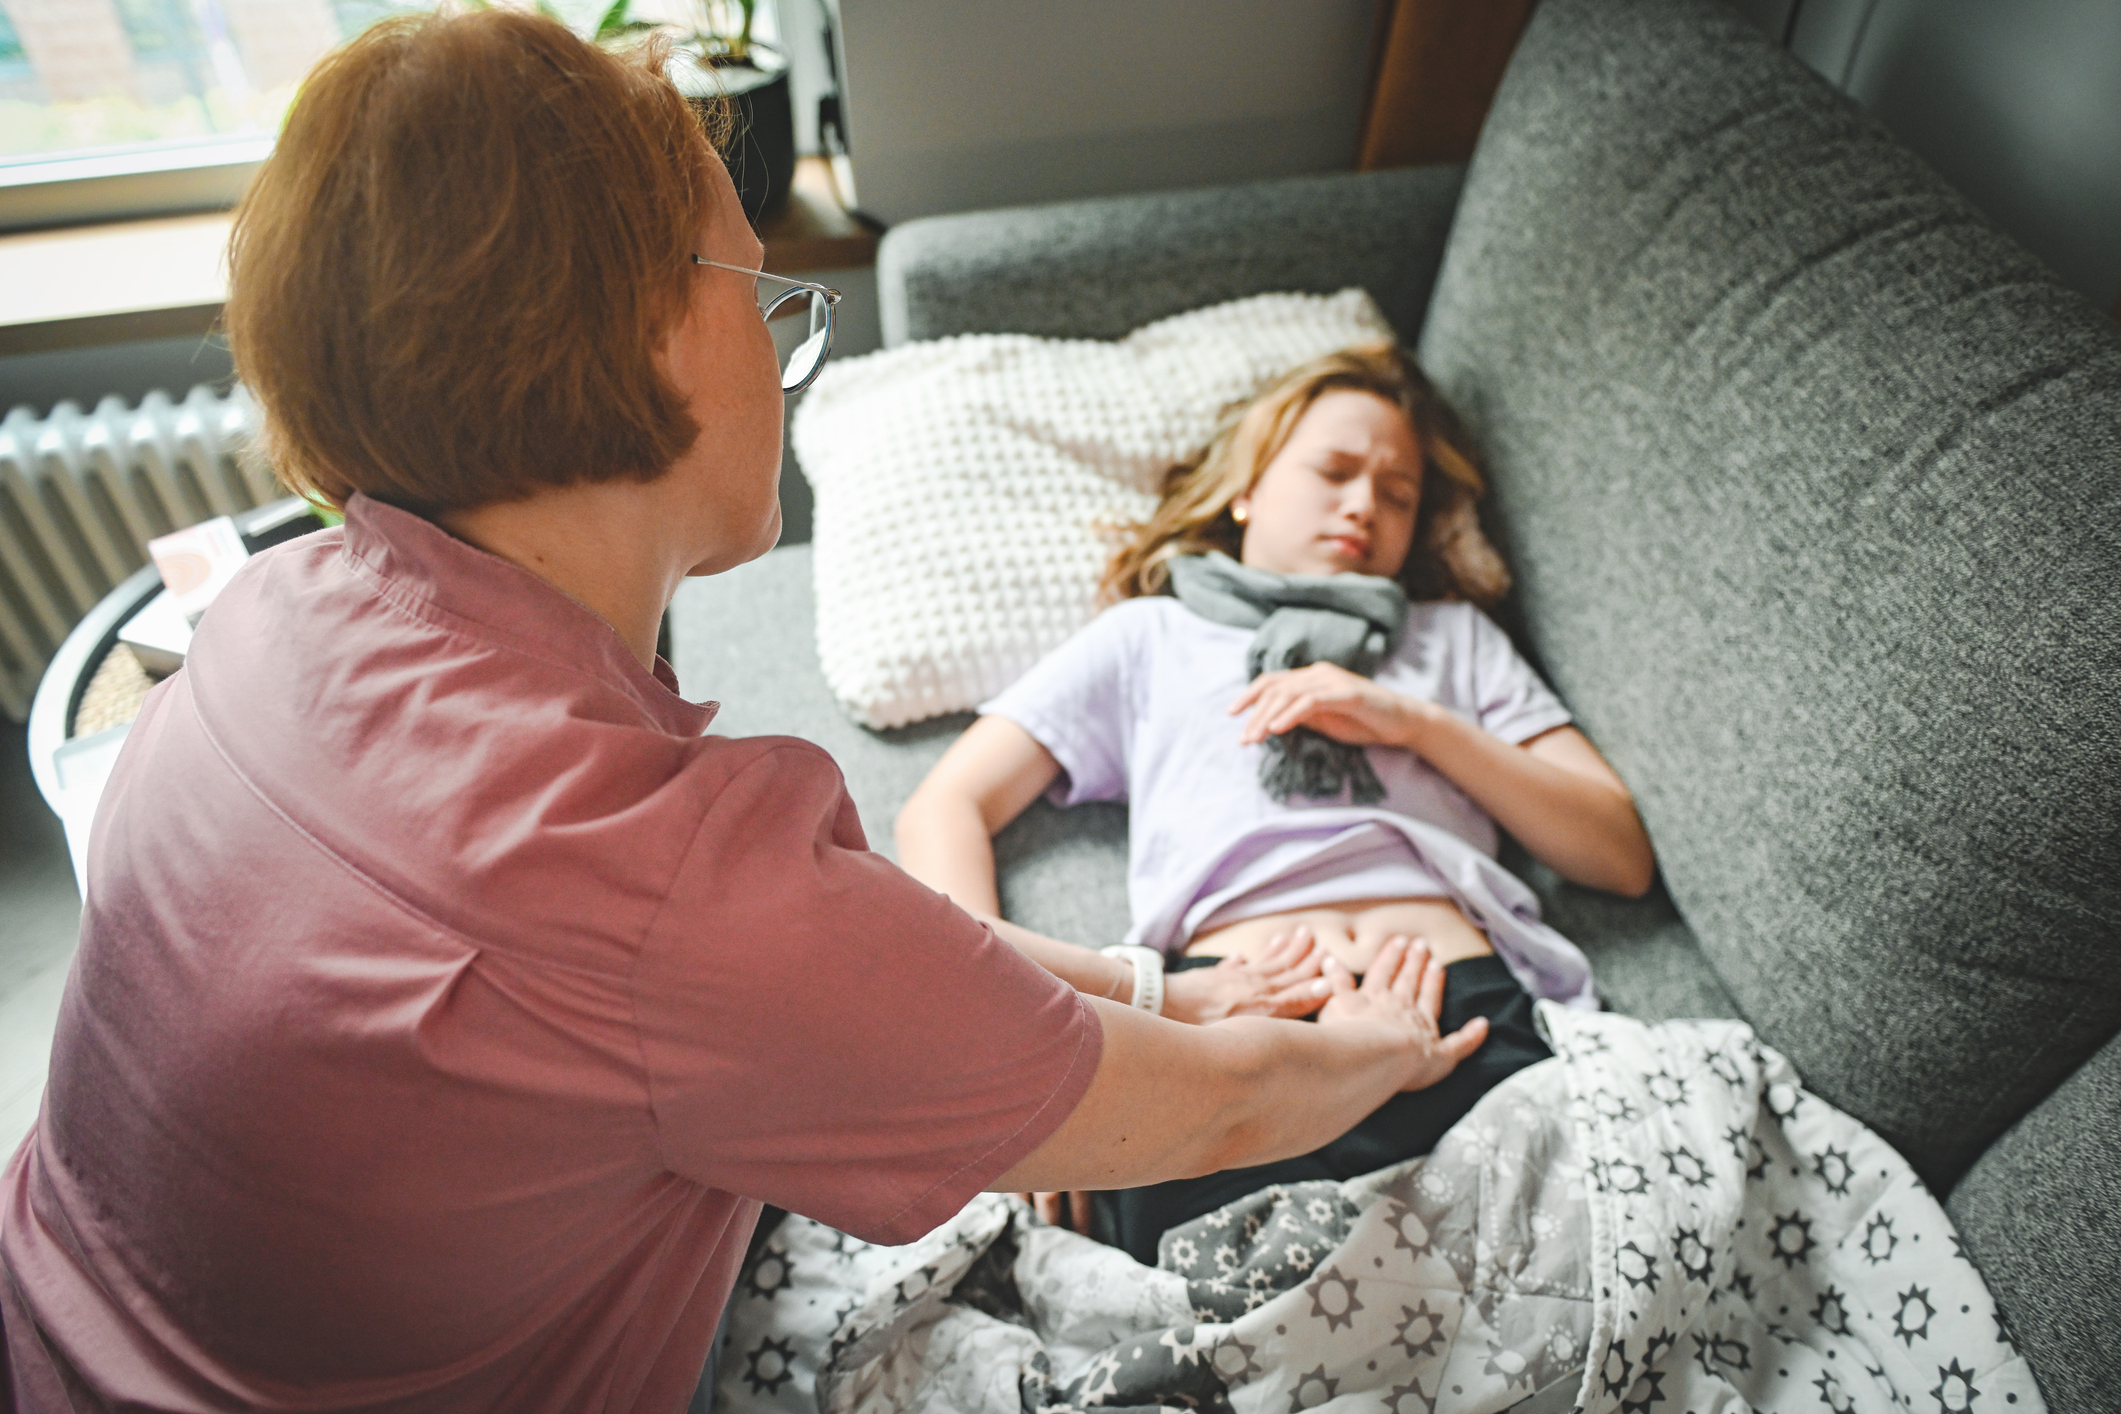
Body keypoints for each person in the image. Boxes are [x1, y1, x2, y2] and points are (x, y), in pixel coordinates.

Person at [0, 14, 1500, 1413]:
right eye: (763, 295)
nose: (788, 356)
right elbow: (1207, 1116)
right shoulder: (664, 886)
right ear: (650, 331)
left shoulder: (275, 608)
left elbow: (844, 947)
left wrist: (1155, 981)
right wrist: (1381, 1040)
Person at [896, 344, 1658, 1262]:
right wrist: (1014, 1019)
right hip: (1244, 1016)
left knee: (1566, 1272)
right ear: (1247, 489)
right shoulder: (1152, 637)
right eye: (1334, 471)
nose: (1363, 506)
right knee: (1210, 1289)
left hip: (1457, 1010)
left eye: (1398, 494)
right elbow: (944, 806)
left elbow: (1616, 851)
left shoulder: (1451, 640)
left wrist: (1409, 723)